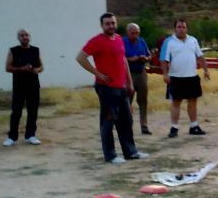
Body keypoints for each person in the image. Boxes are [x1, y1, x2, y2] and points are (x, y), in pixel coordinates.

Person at [76, 12, 149, 164]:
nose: (111, 26)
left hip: (121, 86)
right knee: (108, 122)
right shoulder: (96, 41)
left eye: (113, 23)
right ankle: (110, 155)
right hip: (106, 87)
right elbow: (80, 58)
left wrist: (129, 82)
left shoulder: (119, 39)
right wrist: (97, 74)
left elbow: (123, 60)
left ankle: (131, 152)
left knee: (126, 120)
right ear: (102, 25)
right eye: (107, 23)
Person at [160, 18, 210, 137]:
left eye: (183, 27)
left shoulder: (193, 40)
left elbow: (200, 56)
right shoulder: (169, 42)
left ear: (186, 28)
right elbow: (163, 59)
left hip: (191, 76)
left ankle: (194, 126)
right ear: (175, 28)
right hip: (176, 77)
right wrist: (165, 74)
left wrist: (206, 70)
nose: (181, 29)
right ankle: (174, 127)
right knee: (176, 102)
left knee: (192, 101)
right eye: (179, 27)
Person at [2, 29, 43, 146]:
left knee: (33, 111)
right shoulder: (13, 51)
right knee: (16, 112)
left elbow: (41, 66)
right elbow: (7, 68)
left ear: (29, 37)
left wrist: (36, 70)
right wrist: (21, 69)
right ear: (18, 38)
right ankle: (12, 137)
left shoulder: (35, 50)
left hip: (33, 86)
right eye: (22, 35)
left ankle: (30, 135)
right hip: (19, 86)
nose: (24, 37)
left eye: (26, 35)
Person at [123, 23, 152, 135]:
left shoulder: (141, 41)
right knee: (127, 99)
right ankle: (127, 124)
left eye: (137, 33)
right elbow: (120, 57)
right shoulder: (123, 42)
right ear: (127, 32)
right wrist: (132, 59)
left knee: (143, 100)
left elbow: (149, 55)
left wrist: (146, 58)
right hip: (129, 73)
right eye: (132, 33)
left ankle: (144, 125)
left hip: (141, 72)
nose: (135, 35)